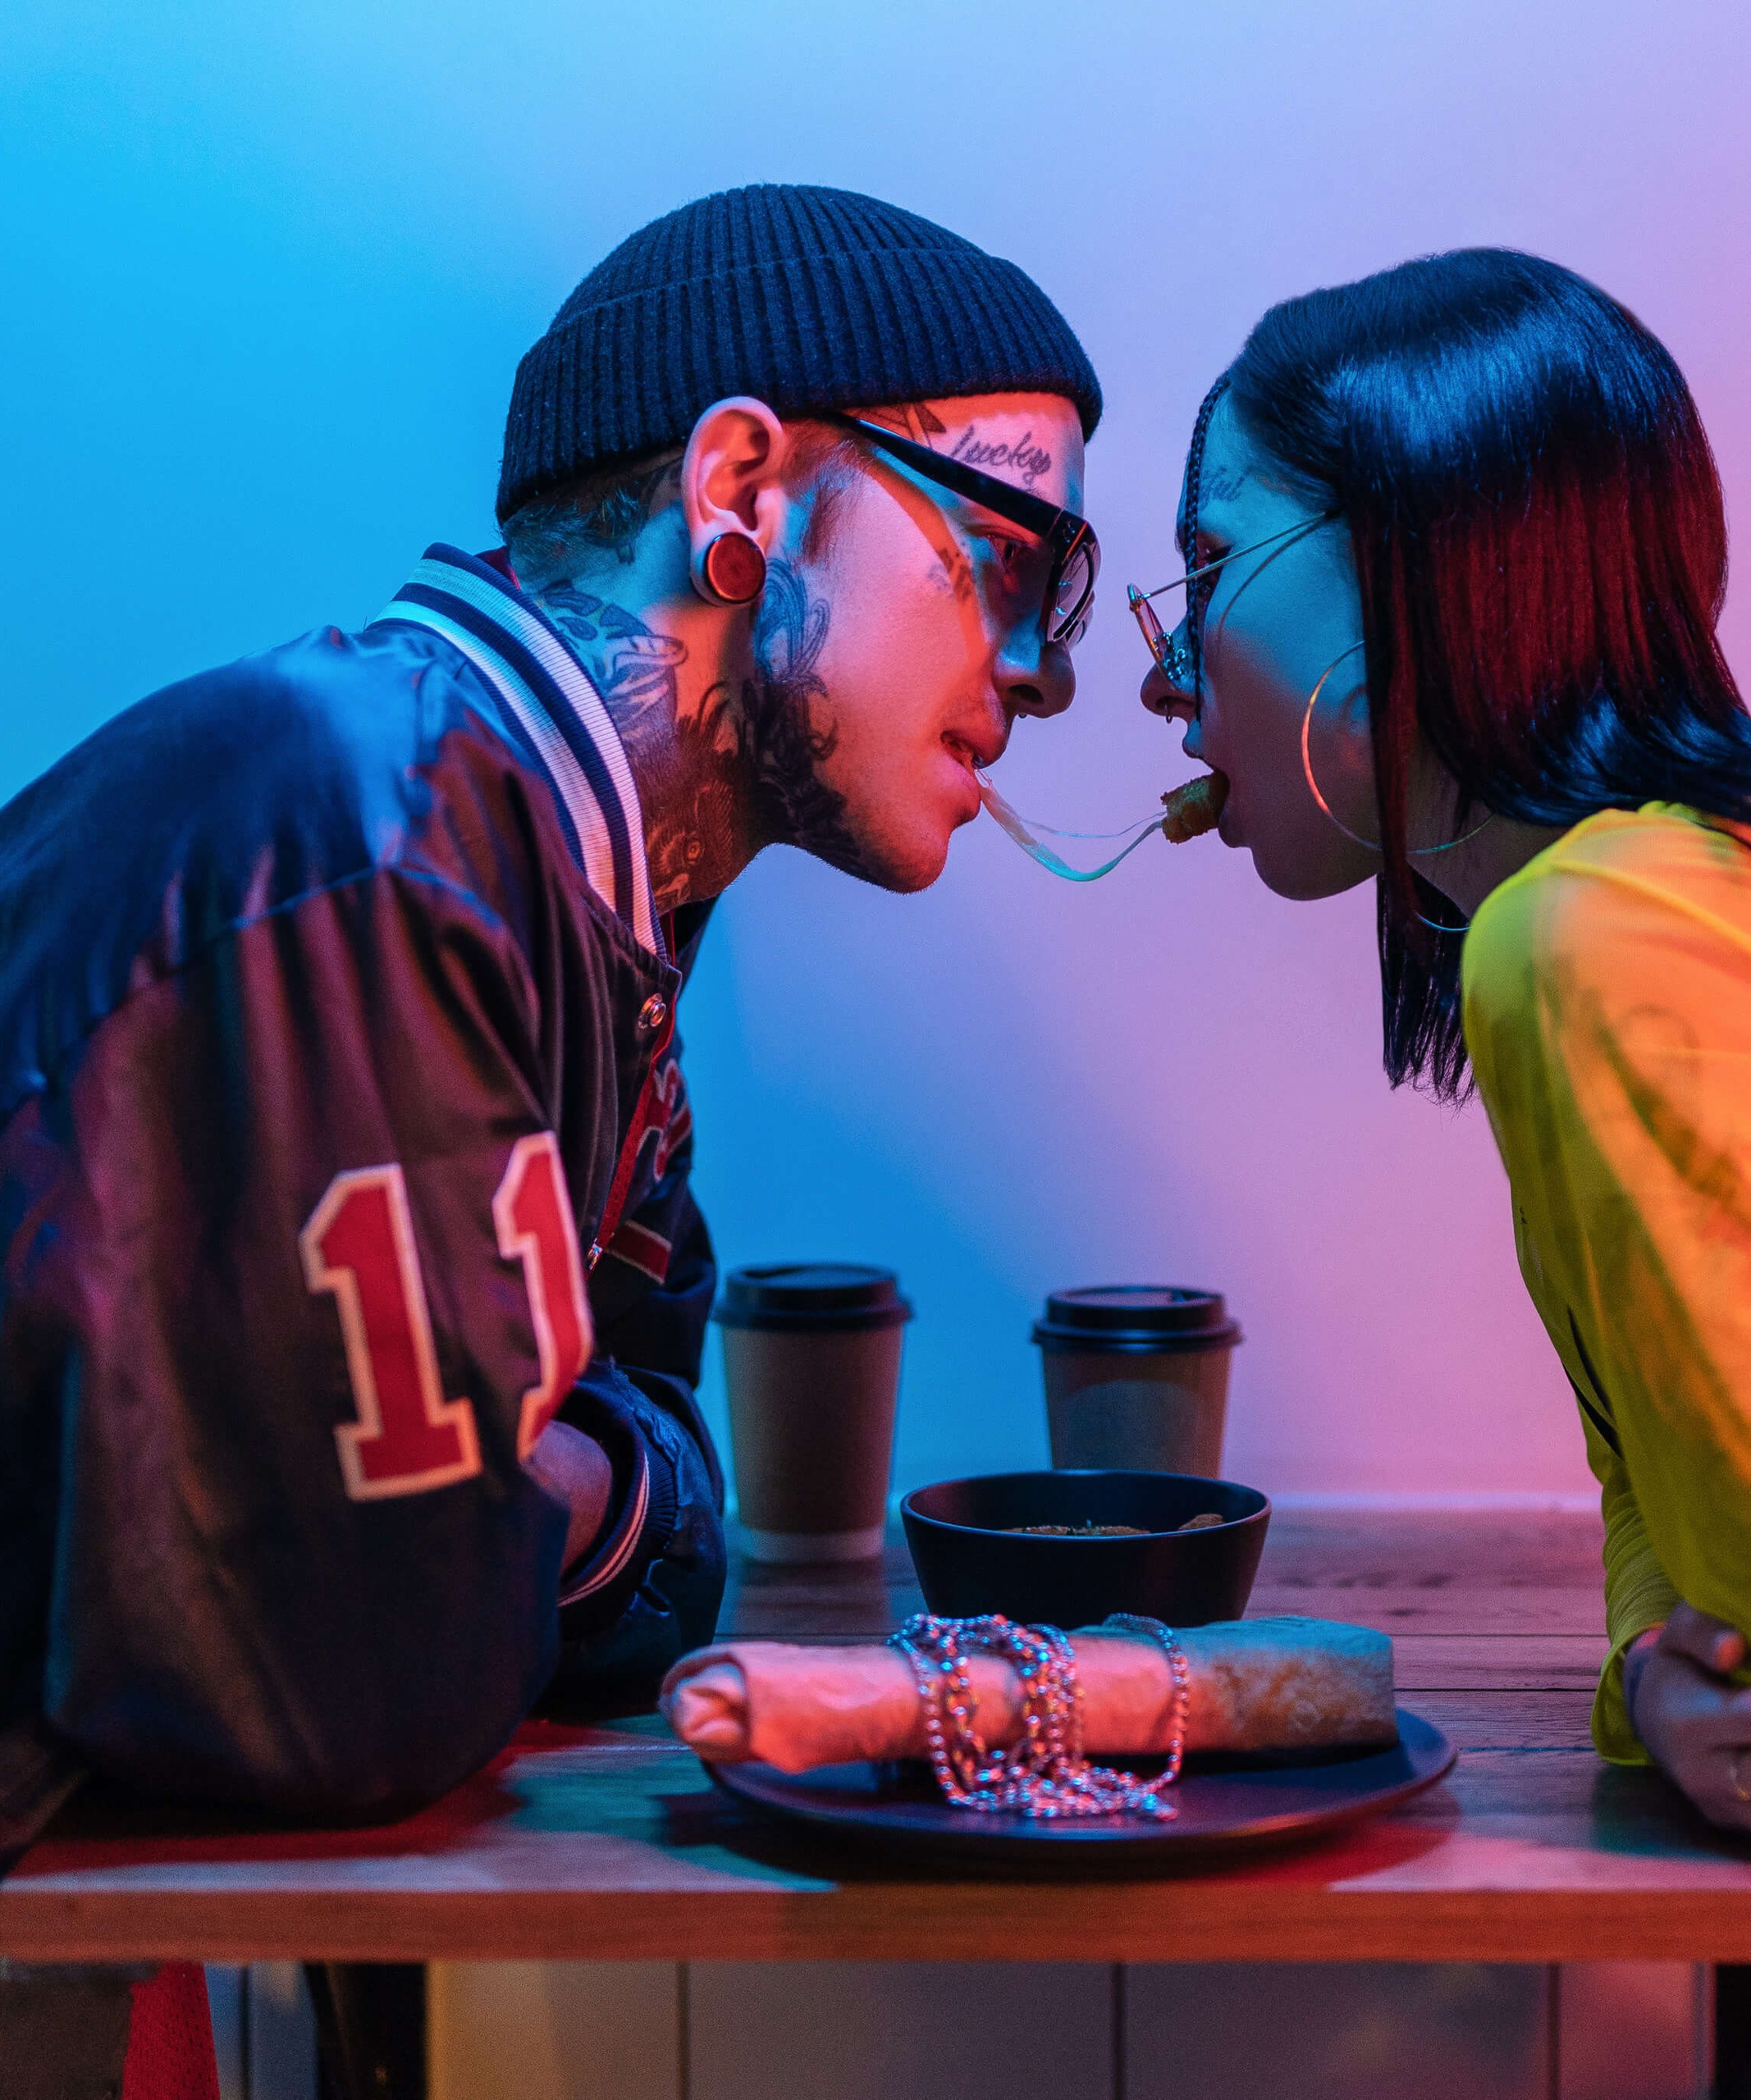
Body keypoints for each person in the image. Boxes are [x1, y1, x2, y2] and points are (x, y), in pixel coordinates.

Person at [0, 180, 1100, 1856]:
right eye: (1008, 558)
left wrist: (548, 1485)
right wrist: (558, 1486)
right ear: (744, 490)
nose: (1042, 668)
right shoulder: (365, 835)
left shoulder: (575, 884)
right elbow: (365, 1677)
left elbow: (659, 1544)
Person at [1136, 249, 1751, 2089]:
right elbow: (1665, 1485)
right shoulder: (1749, 862)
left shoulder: (1592, 945)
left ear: (1399, 566)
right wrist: (1658, 1676)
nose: (1164, 674)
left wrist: (1692, 1680)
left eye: (1205, 567)